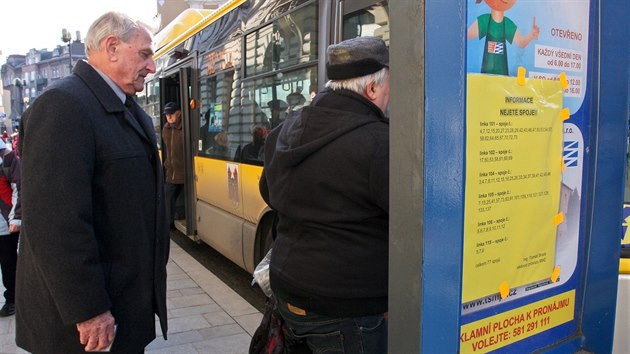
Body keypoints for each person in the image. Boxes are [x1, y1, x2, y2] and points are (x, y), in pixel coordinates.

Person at [15, 12, 169, 353]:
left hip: (124, 307)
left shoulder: (125, 107)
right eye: (144, 53)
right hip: (83, 330)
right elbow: (55, 224)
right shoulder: (63, 105)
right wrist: (89, 310)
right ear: (111, 47)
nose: (152, 66)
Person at [258, 36, 390, 353]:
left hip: (287, 288)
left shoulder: (285, 129)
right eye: (389, 88)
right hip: (346, 306)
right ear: (372, 89)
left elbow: (268, 191)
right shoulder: (380, 142)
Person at [467, 0, 539, 75]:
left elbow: (521, 42)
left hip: (503, 77)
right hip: (485, 77)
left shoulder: (508, 24)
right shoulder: (484, 21)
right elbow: (468, 35)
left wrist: (531, 35)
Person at [0, 139, 21, 318]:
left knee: (8, 262)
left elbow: (18, 188)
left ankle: (12, 299)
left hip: (6, 223)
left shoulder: (8, 160)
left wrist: (15, 217)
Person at [162, 101, 185, 229]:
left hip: (184, 171)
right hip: (171, 171)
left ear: (179, 113)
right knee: (168, 197)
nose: (169, 117)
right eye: (167, 115)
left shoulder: (185, 128)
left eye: (171, 114)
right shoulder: (166, 129)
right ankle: (168, 224)